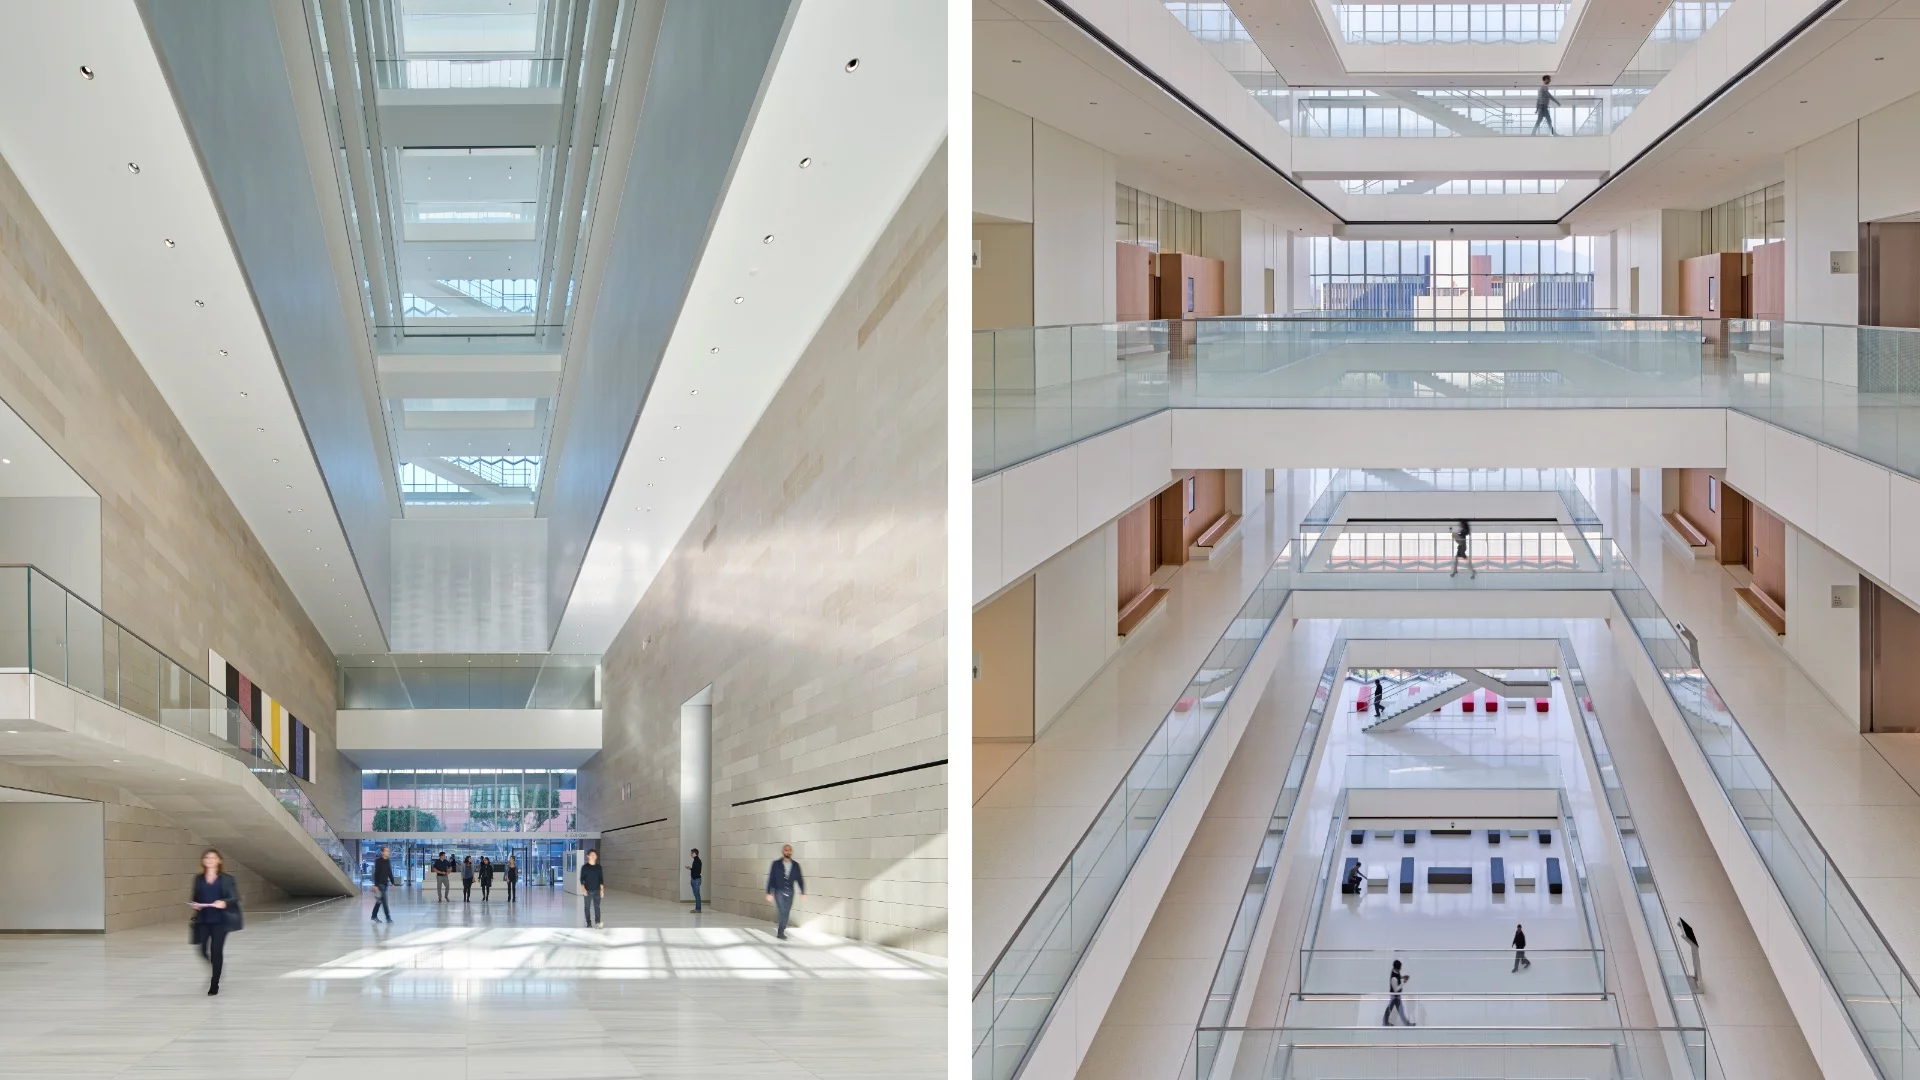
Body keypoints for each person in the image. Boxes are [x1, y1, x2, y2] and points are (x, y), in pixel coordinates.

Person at [188, 848, 241, 996]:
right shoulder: (198, 879)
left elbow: (235, 898)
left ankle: (214, 983)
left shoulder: (227, 879)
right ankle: (217, 966)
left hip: (221, 921)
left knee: (216, 951)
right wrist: (195, 904)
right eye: (207, 857)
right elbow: (195, 897)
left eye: (213, 857)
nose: (209, 860)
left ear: (219, 861)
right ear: (203, 861)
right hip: (203, 919)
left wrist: (224, 902)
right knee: (202, 950)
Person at [765, 843, 805, 940]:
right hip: (779, 891)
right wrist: (769, 892)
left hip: (790, 892)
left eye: (789, 850)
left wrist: (803, 892)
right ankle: (780, 932)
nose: (788, 851)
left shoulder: (796, 865)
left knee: (786, 912)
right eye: (786, 850)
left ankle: (781, 929)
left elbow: (800, 879)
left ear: (791, 852)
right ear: (783, 851)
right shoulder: (776, 864)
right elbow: (771, 878)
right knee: (782, 911)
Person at [1383, 959, 1413, 1026]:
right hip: (1395, 996)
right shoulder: (1394, 978)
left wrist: (1403, 977)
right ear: (1397, 968)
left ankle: (1385, 1022)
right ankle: (1407, 1024)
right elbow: (1396, 989)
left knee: (1392, 1009)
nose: (1401, 969)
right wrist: (1403, 983)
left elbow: (1398, 976)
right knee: (1397, 1010)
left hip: (1396, 996)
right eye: (1400, 968)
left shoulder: (1395, 971)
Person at [371, 845, 396, 924]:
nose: (388, 852)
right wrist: (375, 885)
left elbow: (389, 872)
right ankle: (388, 918)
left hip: (385, 884)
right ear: (382, 852)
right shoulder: (378, 861)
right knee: (384, 901)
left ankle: (374, 916)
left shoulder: (388, 860)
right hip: (380, 884)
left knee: (379, 901)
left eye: (388, 851)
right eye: (386, 851)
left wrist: (393, 883)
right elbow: (376, 873)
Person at [581, 848, 605, 928]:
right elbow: (582, 879)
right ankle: (588, 923)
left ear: (596, 856)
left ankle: (597, 922)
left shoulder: (599, 867)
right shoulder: (585, 867)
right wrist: (583, 889)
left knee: (597, 906)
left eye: (594, 855)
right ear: (588, 856)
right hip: (587, 890)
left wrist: (602, 890)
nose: (593, 856)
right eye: (591, 855)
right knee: (587, 907)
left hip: (597, 890)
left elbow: (601, 879)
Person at [689, 848, 704, 913]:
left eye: (691, 853)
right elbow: (695, 870)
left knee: (697, 894)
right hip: (694, 879)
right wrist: (691, 869)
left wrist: (693, 878)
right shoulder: (695, 860)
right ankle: (697, 908)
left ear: (694, 853)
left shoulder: (697, 861)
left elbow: (698, 871)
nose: (690, 854)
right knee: (696, 894)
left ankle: (698, 909)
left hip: (696, 879)